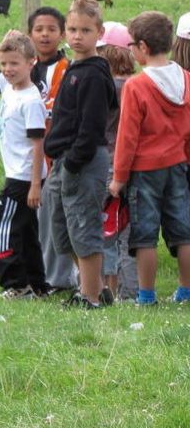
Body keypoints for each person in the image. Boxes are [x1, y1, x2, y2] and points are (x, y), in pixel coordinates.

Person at [107, 11, 190, 306]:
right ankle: (185, 290)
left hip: (144, 171)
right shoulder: (186, 78)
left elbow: (127, 136)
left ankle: (146, 295)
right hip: (178, 165)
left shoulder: (137, 86)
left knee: (144, 234)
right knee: (183, 231)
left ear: (141, 47)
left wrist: (119, 177)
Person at [44, 0, 117, 309]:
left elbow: (91, 127)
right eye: (71, 29)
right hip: (63, 161)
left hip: (83, 162)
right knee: (63, 232)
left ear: (99, 33)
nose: (77, 36)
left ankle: (89, 298)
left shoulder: (93, 74)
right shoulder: (74, 68)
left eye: (85, 30)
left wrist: (74, 160)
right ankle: (98, 287)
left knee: (84, 228)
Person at [0, 31, 49, 299]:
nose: (7, 69)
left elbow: (38, 145)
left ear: (31, 63)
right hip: (19, 175)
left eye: (14, 63)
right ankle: (37, 285)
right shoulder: (8, 87)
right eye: (5, 63)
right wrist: (3, 43)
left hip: (22, 178)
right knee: (26, 230)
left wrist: (34, 185)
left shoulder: (31, 100)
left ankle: (16, 284)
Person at [27, 6, 79, 294]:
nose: (45, 35)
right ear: (29, 34)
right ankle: (37, 271)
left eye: (51, 29)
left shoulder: (68, 69)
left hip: (56, 155)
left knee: (54, 219)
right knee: (34, 220)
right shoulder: (22, 66)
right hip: (29, 157)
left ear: (62, 35)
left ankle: (59, 278)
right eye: (38, 29)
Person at [96, 22, 139, 300]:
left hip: (107, 165)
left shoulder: (106, 86)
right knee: (129, 233)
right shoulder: (136, 85)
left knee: (107, 230)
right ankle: (131, 290)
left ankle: (107, 288)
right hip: (135, 166)